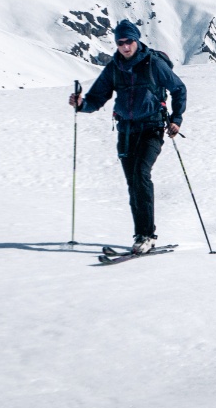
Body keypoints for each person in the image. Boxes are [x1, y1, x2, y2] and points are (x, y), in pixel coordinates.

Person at [69, 19, 186, 254]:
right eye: (120, 42)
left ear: (136, 40)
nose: (125, 46)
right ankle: (141, 233)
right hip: (126, 131)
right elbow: (96, 98)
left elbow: (178, 88)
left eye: (129, 41)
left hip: (152, 128)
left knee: (141, 174)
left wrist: (176, 119)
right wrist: (82, 104)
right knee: (133, 182)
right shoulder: (114, 68)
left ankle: (147, 235)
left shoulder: (153, 64)